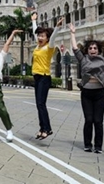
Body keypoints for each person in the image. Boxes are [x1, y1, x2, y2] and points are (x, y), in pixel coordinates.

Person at [69, 23, 104, 153]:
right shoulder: (83, 59)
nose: (92, 50)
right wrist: (72, 33)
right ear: (87, 50)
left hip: (99, 94)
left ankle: (98, 146)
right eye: (90, 48)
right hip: (86, 93)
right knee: (88, 119)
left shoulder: (103, 60)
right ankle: (87, 144)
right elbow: (75, 48)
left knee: (98, 121)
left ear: (98, 50)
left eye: (95, 48)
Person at [31, 12, 63, 140]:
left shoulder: (49, 47)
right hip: (37, 77)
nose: (39, 37)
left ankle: (47, 129)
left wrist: (57, 27)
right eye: (39, 35)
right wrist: (33, 21)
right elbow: (34, 32)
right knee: (38, 104)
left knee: (41, 103)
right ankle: (42, 128)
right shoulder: (38, 46)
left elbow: (53, 37)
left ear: (47, 38)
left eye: (42, 36)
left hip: (44, 77)